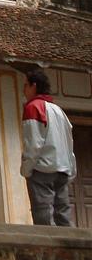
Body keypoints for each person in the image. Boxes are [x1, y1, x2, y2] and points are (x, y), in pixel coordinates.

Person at [20, 68, 76, 226]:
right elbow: (69, 142)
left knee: (43, 214)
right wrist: (71, 169)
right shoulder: (58, 110)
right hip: (62, 170)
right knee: (63, 215)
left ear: (34, 86)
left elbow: (33, 144)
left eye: (26, 85)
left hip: (43, 170)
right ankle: (69, 248)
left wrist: (26, 169)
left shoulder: (33, 107)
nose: (24, 89)